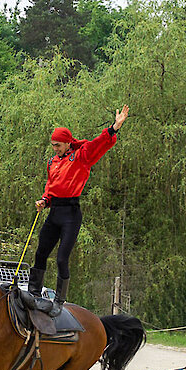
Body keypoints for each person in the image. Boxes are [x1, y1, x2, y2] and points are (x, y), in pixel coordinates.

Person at [28, 105, 130, 316]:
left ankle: (59, 300)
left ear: (67, 142)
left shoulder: (81, 156)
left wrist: (114, 127)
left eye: (58, 145)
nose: (55, 148)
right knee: (40, 252)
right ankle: (34, 293)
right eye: (53, 145)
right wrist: (44, 201)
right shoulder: (52, 162)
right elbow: (51, 186)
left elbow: (99, 144)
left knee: (62, 259)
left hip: (70, 214)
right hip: (54, 212)